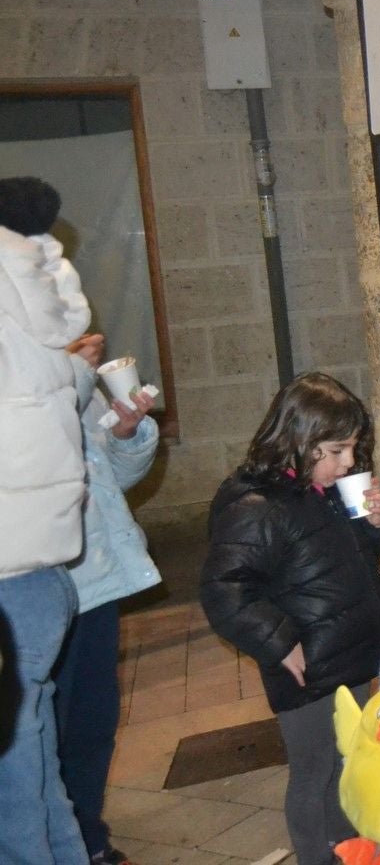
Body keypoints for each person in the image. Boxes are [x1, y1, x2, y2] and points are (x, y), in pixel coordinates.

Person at [200, 372, 380, 865]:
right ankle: (319, 855)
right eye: (336, 450)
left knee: (348, 764)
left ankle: (348, 850)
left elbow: (370, 545)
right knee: (315, 773)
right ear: (298, 439)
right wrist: (277, 642)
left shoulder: (327, 491)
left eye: (352, 449)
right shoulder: (255, 508)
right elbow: (224, 588)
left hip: (350, 657)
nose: (349, 462)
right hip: (306, 669)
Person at [0, 175, 93, 865]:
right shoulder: (35, 280)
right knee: (31, 752)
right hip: (43, 567)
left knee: (11, 769)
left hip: (5, 570)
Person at [55, 331, 161, 865]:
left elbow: (112, 476)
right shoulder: (28, 373)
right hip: (36, 582)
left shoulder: (61, 366)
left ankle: (88, 837)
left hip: (94, 578)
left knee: (92, 724)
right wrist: (68, 377)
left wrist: (126, 431)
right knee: (41, 731)